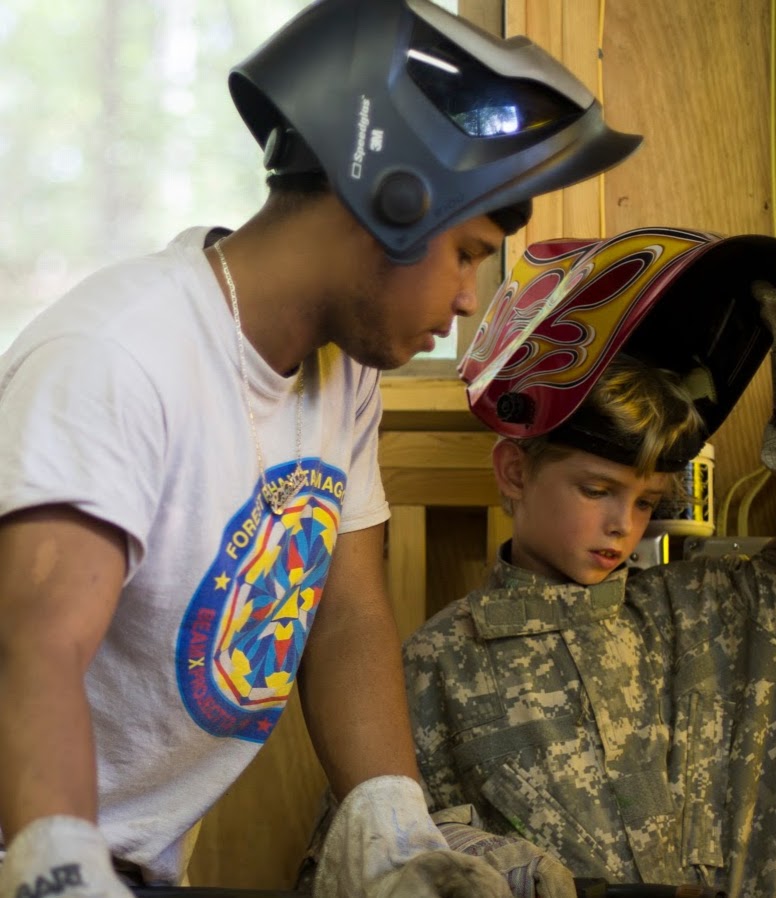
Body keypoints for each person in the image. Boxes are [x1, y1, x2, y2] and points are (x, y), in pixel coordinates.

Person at [0, 2, 644, 897]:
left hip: (133, 864)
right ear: (392, 205)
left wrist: (390, 827)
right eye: (465, 254)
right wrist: (57, 871)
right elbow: (31, 645)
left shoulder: (340, 375)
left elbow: (344, 615)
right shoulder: (119, 355)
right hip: (33, 852)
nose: (468, 299)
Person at [397, 227, 776, 898]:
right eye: (596, 490)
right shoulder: (439, 662)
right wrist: (485, 866)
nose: (620, 525)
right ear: (514, 471)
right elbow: (364, 851)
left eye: (646, 501)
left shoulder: (724, 612)